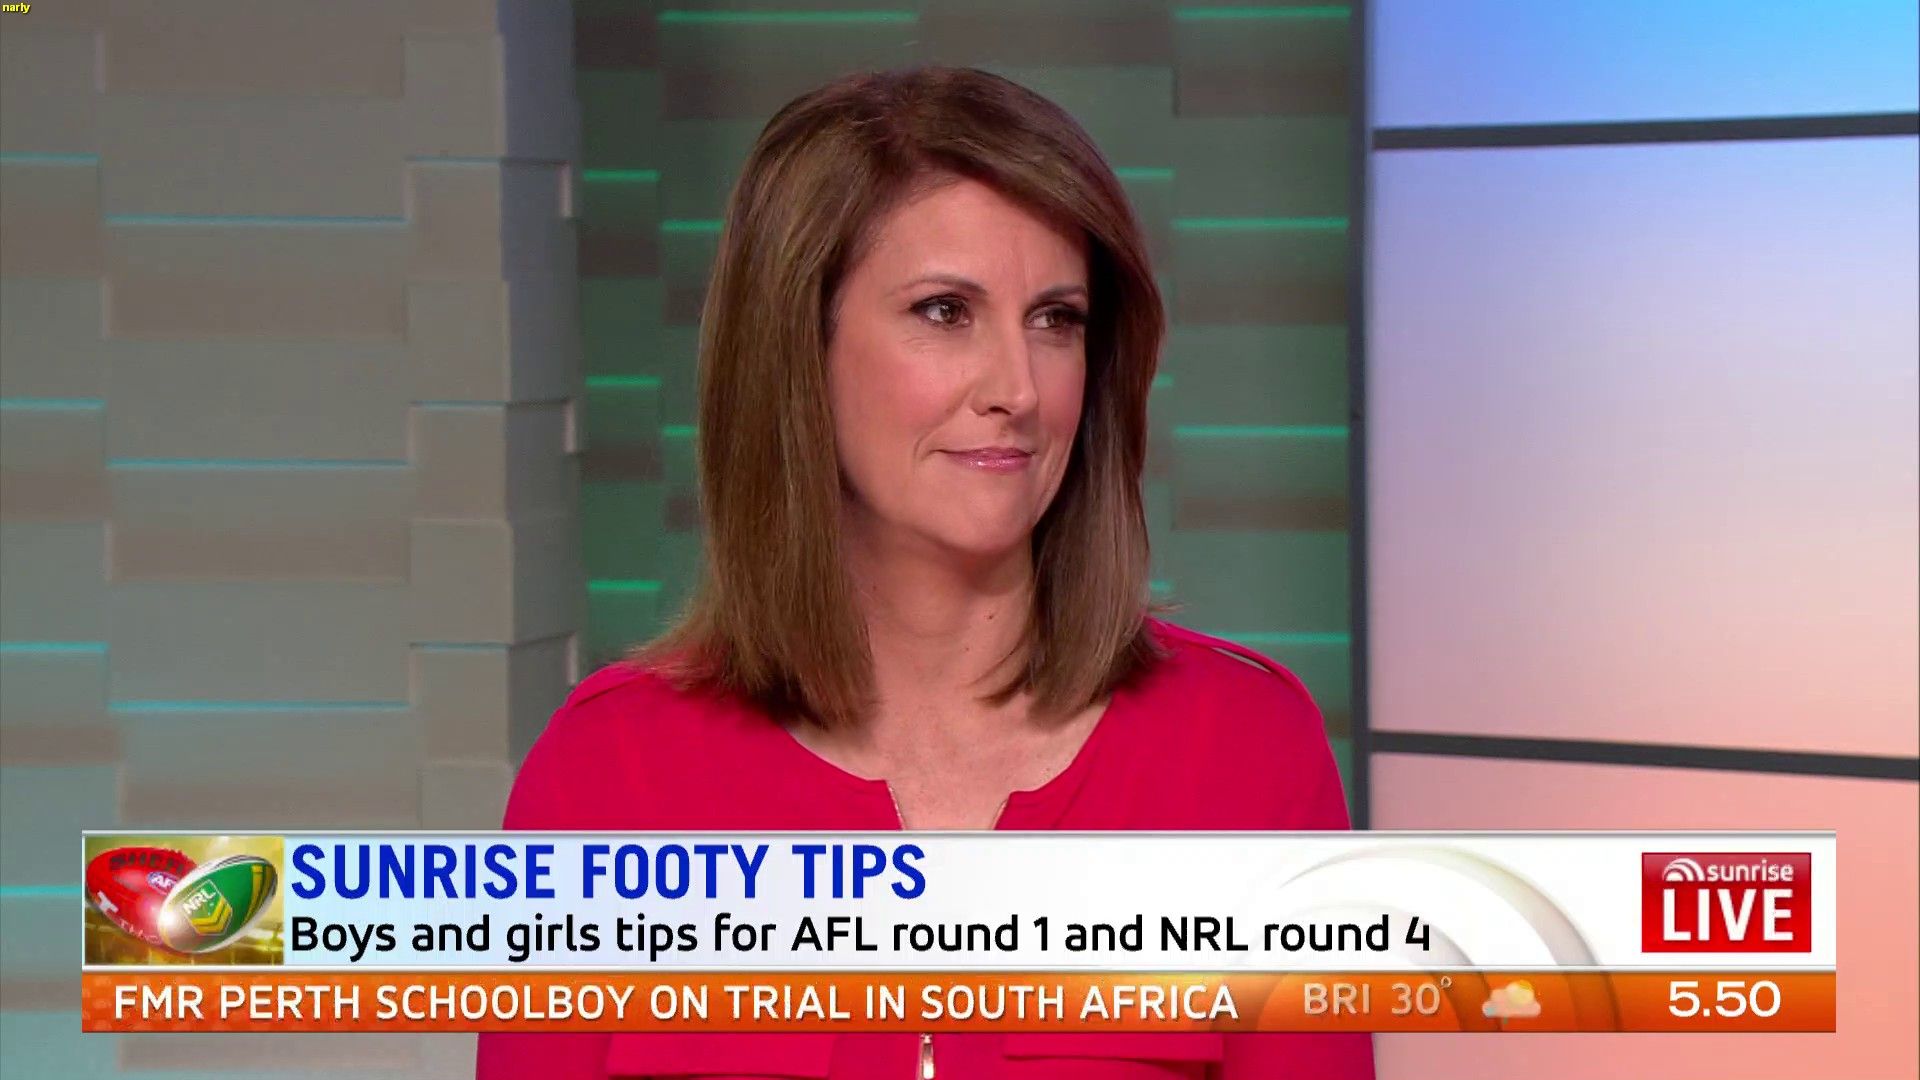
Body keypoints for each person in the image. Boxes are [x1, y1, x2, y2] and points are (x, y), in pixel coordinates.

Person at [479, 66, 1373, 1080]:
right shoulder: (609, 775)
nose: (1017, 388)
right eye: (946, 311)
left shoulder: (1243, 751)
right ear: (798, 349)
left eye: (1056, 319)